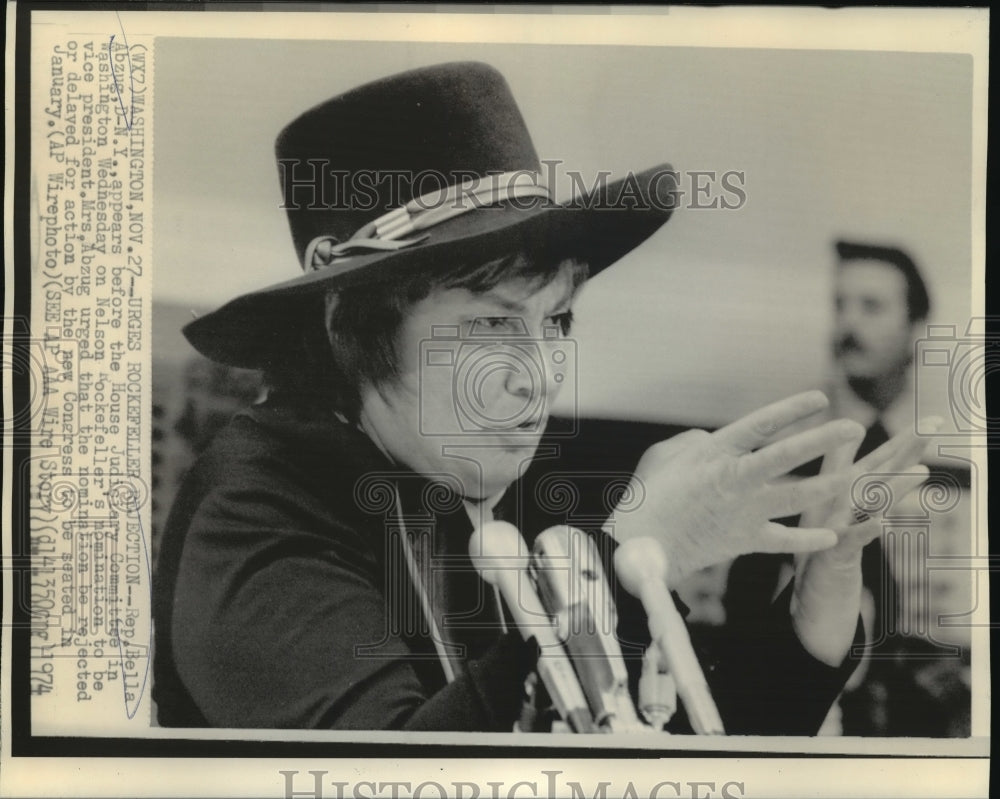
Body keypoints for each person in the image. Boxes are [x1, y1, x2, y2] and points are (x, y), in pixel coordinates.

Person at [152, 62, 930, 733]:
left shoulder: (455, 483)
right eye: (492, 321)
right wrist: (628, 555)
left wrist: (812, 617)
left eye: (555, 319)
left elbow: (654, 747)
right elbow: (402, 772)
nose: (539, 371)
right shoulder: (255, 506)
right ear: (352, 319)